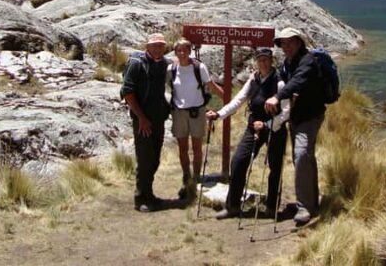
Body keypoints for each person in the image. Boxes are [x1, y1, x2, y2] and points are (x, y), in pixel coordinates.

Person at [206, 47, 290, 219]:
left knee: (275, 167)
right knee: (238, 161)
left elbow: (287, 111)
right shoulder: (253, 79)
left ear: (271, 60)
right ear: (256, 62)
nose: (263, 63)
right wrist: (219, 114)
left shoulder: (280, 82)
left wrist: (267, 124)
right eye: (260, 60)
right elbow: (238, 100)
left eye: (266, 59)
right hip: (253, 127)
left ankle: (271, 207)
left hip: (275, 129)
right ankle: (232, 207)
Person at [265, 27, 325, 226]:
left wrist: (277, 97)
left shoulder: (308, 61)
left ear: (299, 42)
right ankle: (311, 201)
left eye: (290, 42)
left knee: (301, 155)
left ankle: (305, 207)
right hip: (296, 117)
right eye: (283, 43)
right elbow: (286, 82)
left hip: (310, 117)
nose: (286, 46)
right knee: (304, 157)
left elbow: (297, 82)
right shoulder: (288, 62)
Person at [120, 32, 171, 212]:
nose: (158, 48)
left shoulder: (164, 64)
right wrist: (141, 118)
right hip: (142, 120)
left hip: (158, 119)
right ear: (147, 47)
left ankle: (149, 194)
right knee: (145, 159)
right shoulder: (137, 64)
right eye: (154, 45)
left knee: (155, 158)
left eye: (161, 45)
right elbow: (128, 92)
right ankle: (140, 198)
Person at [168, 38, 224, 199]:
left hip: (197, 112)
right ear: (176, 52)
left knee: (197, 147)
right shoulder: (171, 69)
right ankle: (187, 177)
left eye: (185, 50)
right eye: (179, 50)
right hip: (179, 112)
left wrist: (229, 102)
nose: (182, 53)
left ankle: (197, 177)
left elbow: (212, 86)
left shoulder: (199, 68)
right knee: (183, 148)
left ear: (190, 51)